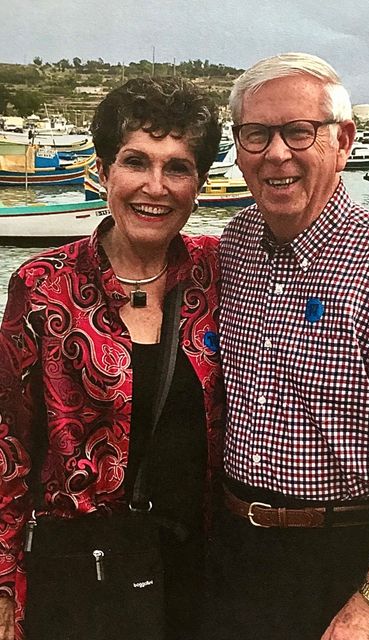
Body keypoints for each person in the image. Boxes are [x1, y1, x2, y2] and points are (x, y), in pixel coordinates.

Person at [204, 53, 369, 640]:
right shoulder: (233, 248)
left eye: (299, 131)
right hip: (240, 560)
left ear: (342, 141)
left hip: (353, 558)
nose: (276, 154)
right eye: (255, 134)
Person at [0, 77, 223, 640]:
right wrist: (4, 584)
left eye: (178, 168)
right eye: (135, 162)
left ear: (199, 184)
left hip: (198, 577)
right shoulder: (44, 286)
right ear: (102, 171)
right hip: (83, 580)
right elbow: (8, 445)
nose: (156, 186)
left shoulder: (217, 273)